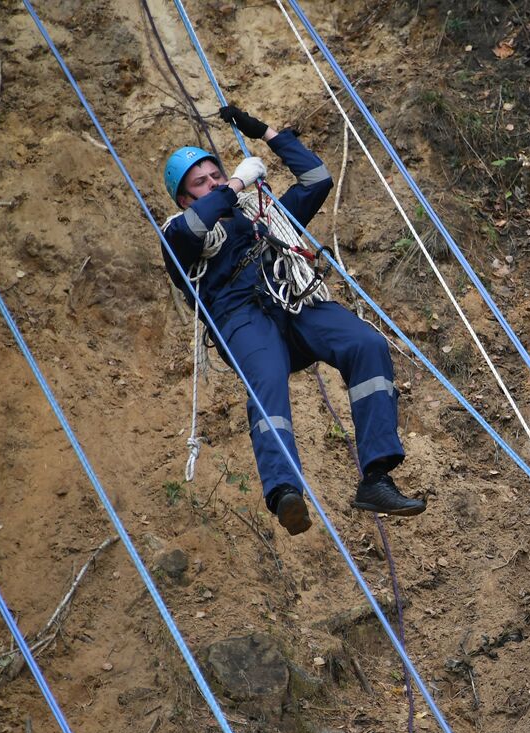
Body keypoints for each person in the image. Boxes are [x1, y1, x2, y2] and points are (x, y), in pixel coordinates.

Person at [161, 105, 425, 536]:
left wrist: (268, 133)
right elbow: (191, 230)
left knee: (367, 345)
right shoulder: (180, 236)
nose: (213, 183)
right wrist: (233, 186)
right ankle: (285, 491)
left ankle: (376, 478)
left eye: (215, 174)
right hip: (242, 318)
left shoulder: (262, 216)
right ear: (185, 198)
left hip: (294, 301)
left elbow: (317, 179)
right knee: (266, 380)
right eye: (201, 182)